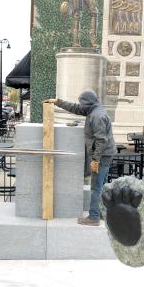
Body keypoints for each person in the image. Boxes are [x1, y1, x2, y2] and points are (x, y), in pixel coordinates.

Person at [43, 90, 116, 226]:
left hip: (103, 155)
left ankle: (94, 217)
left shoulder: (97, 116)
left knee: (96, 187)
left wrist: (95, 159)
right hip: (105, 153)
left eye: (82, 103)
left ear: (87, 103)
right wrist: (58, 102)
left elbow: (102, 140)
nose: (81, 105)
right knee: (102, 185)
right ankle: (101, 213)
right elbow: (75, 108)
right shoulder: (93, 109)